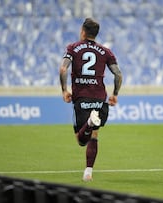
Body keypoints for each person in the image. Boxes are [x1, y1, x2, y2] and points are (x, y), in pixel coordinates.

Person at [59, 18, 123, 182]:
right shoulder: (106, 51)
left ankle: (89, 123)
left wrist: (64, 90)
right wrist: (115, 94)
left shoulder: (73, 48)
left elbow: (63, 68)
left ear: (83, 31)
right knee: (94, 136)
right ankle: (88, 172)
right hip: (100, 99)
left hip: (81, 98)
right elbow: (118, 74)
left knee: (81, 140)